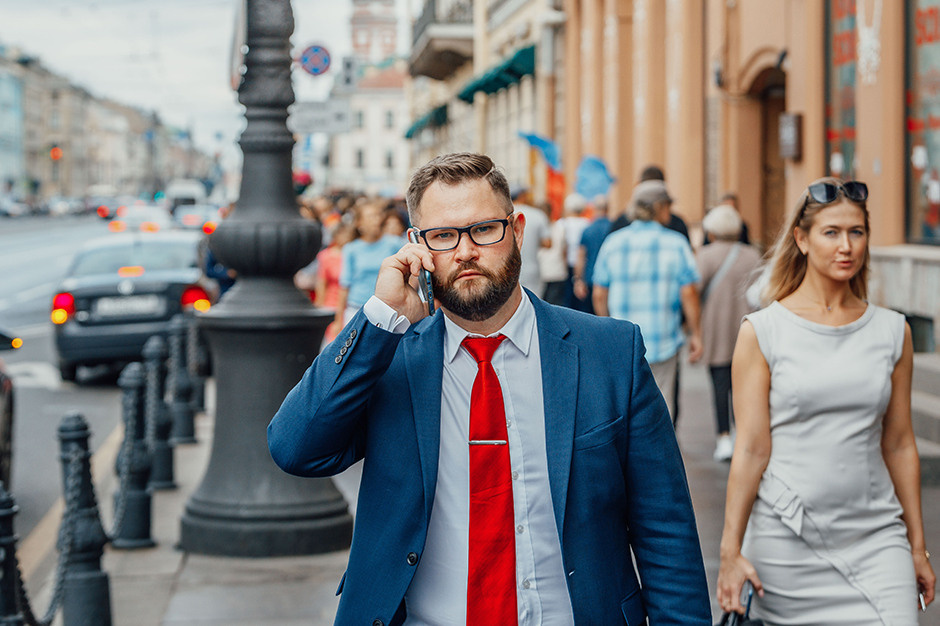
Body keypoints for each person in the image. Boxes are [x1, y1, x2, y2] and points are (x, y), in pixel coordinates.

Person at [268, 152, 711, 625]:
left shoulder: (609, 353)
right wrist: (379, 317)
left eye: (483, 229)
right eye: (443, 235)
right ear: (417, 247)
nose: (465, 251)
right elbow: (296, 448)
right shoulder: (389, 357)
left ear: (517, 231)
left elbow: (666, 530)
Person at [717, 178, 936, 623]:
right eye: (831, 232)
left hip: (878, 539)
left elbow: (898, 444)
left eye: (856, 232)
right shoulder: (763, 331)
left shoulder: (894, 331)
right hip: (787, 542)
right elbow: (752, 449)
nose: (846, 246)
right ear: (801, 238)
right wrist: (729, 551)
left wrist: (917, 546)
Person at [592, 179, 703, 424]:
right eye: (667, 206)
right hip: (663, 339)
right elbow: (689, 293)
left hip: (621, 341)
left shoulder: (614, 242)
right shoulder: (676, 243)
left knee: (623, 406)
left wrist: (604, 329)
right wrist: (696, 333)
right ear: (659, 208)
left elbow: (599, 293)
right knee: (662, 406)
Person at [694, 204, 762, 461]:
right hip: (748, 328)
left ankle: (723, 436)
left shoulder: (705, 255)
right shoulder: (752, 255)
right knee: (745, 385)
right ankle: (740, 433)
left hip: (716, 329)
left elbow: (694, 288)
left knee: (720, 384)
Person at [334, 199, 405, 327]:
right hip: (356, 309)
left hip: (387, 310)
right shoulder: (351, 249)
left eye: (377, 215)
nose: (375, 220)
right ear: (359, 223)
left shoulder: (394, 243)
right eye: (370, 217)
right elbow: (345, 284)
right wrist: (339, 319)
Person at [573, 194, 613, 316]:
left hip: (591, 279)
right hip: (610, 279)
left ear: (595, 209)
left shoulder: (588, 230)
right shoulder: (614, 228)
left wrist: (578, 280)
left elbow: (581, 257)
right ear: (607, 209)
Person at [510, 185, 551, 298]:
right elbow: (548, 243)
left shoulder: (503, 214)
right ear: (522, 196)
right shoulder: (537, 214)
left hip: (508, 268)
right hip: (532, 268)